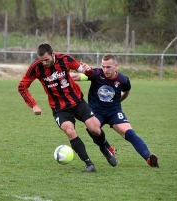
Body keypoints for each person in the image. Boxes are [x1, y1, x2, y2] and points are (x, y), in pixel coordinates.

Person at [18, 43, 117, 172]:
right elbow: (22, 86)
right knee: (69, 131)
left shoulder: (65, 59)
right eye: (41, 60)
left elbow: (82, 69)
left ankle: (104, 148)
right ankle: (89, 164)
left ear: (53, 54)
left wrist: (87, 69)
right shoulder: (36, 68)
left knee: (95, 129)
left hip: (78, 102)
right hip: (59, 108)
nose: (44, 63)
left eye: (46, 60)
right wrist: (34, 105)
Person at [70, 54, 159, 168]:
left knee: (129, 132)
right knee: (91, 128)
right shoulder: (97, 73)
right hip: (97, 111)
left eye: (108, 67)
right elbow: (77, 76)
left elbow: (126, 91)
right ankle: (107, 147)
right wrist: (62, 75)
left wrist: (119, 101)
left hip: (114, 111)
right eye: (103, 66)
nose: (105, 70)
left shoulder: (123, 80)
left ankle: (149, 158)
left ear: (115, 66)